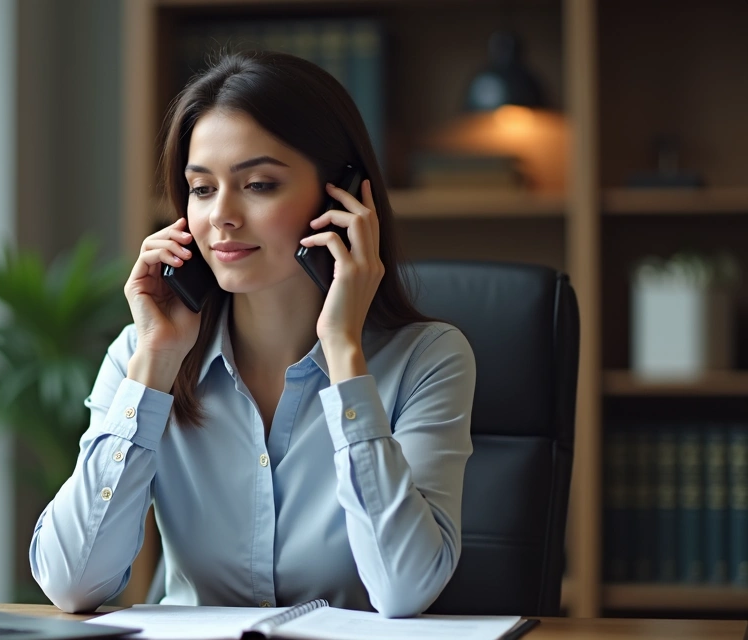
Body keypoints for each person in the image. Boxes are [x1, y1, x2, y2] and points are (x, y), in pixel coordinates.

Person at [29, 50, 476, 618]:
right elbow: (71, 584)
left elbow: (404, 589)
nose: (222, 215)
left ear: (341, 196)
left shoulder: (427, 360)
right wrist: (155, 362)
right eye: (201, 188)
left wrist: (343, 352)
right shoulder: (142, 353)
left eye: (259, 184)